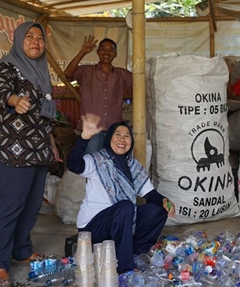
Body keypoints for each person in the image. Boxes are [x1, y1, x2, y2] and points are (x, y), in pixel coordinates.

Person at [0, 21, 61, 287]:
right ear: (18, 40)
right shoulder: (7, 66)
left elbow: (45, 115)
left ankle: (21, 250)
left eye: (40, 38)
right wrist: (15, 101)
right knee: (10, 206)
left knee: (32, 205)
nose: (35, 41)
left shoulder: (42, 72)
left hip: (40, 149)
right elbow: (4, 91)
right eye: (29, 36)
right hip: (15, 150)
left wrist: (51, 143)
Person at [67, 114, 175, 273]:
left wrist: (164, 201)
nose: (122, 139)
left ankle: (136, 253)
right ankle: (123, 268)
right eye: (117, 135)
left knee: (157, 210)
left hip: (121, 221)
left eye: (126, 136)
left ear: (131, 142)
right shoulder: (97, 160)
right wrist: (84, 138)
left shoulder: (133, 166)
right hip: (94, 227)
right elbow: (74, 165)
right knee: (125, 207)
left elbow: (150, 194)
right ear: (109, 138)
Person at [64, 36, 132, 153]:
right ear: (98, 52)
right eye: (103, 49)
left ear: (115, 54)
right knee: (92, 165)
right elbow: (68, 74)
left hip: (114, 130)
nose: (106, 52)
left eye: (110, 49)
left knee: (111, 166)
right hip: (92, 130)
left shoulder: (122, 74)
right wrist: (83, 51)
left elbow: (141, 84)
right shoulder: (86, 71)